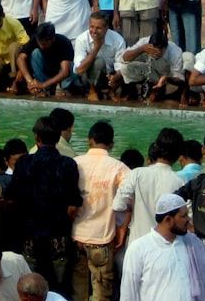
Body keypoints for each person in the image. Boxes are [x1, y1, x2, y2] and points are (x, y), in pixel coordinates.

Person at [4, 116, 83, 295]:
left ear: (37, 138)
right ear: (57, 138)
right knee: (58, 289)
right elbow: (73, 206)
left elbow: (11, 200)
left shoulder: (24, 163)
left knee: (30, 288)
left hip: (29, 237)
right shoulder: (68, 164)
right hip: (59, 239)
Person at [71, 121, 129, 301]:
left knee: (78, 291)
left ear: (90, 140)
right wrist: (122, 228)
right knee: (102, 293)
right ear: (111, 144)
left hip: (76, 236)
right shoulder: (118, 167)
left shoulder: (75, 163)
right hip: (102, 238)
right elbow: (130, 199)